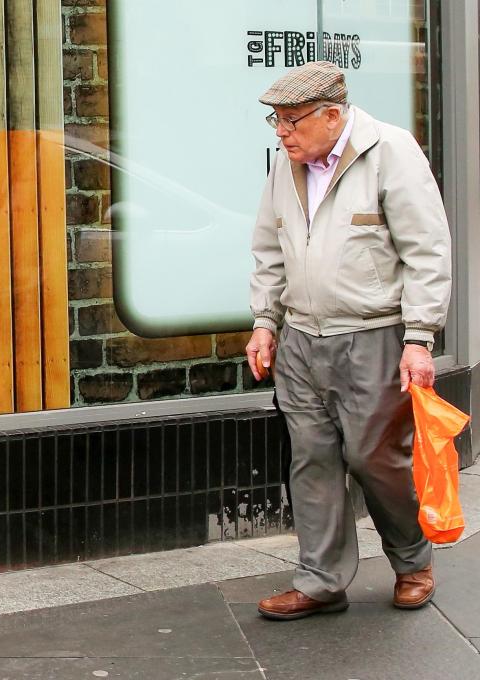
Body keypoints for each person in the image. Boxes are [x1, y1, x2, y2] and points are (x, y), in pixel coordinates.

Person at [247, 61, 451, 620]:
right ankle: (320, 580)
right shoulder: (288, 165)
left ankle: (412, 561)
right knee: (311, 461)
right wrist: (266, 322)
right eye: (276, 120)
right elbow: (269, 247)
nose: (281, 132)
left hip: (374, 336)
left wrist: (420, 338)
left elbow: (427, 250)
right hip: (301, 340)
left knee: (373, 457)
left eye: (291, 120)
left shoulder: (390, 151)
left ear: (332, 115)